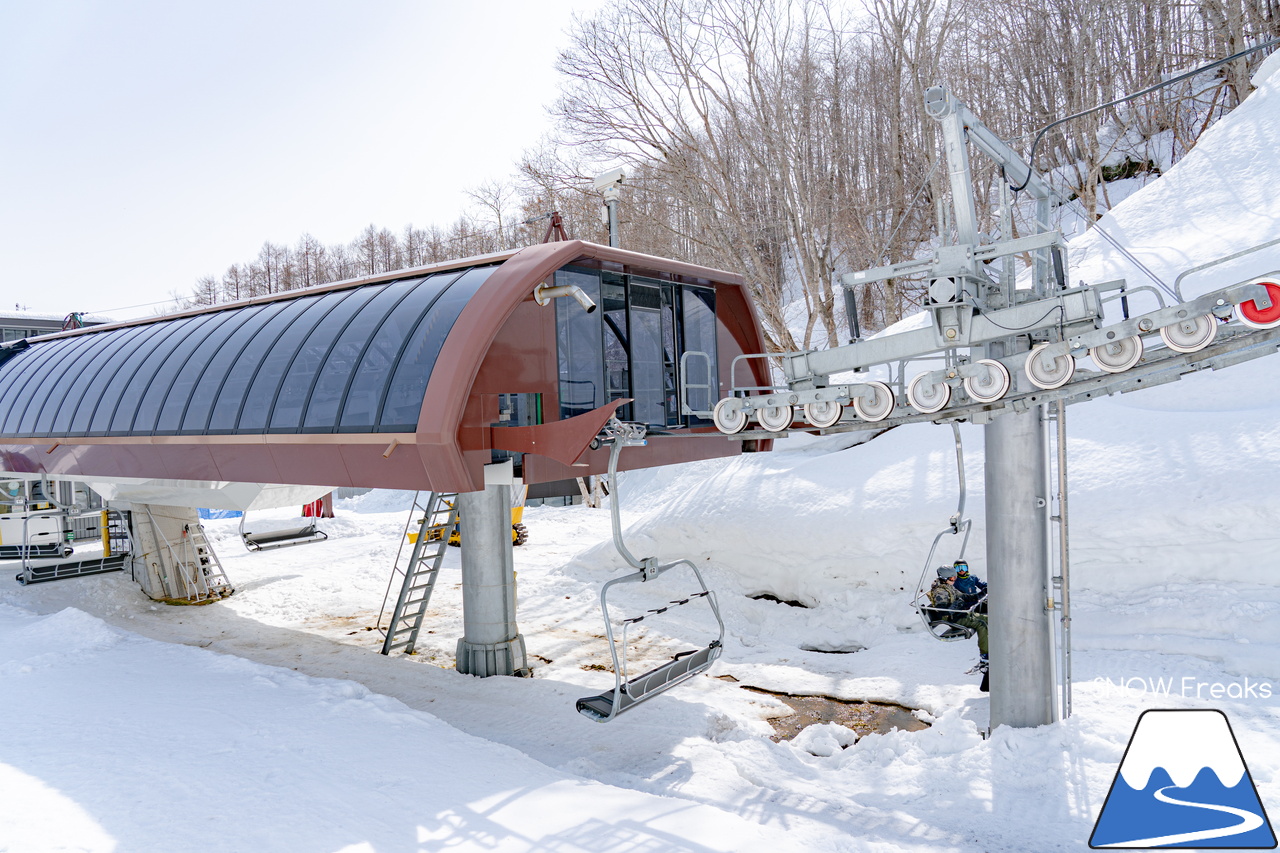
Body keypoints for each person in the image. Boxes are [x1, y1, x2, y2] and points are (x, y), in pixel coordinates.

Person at [926, 566, 988, 685]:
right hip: (953, 618)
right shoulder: (940, 592)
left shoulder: (949, 586)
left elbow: (964, 596)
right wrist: (958, 604)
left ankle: (992, 648)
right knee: (981, 625)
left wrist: (982, 593)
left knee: (988, 619)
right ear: (944, 578)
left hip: (960, 614)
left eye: (955, 577)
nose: (955, 579)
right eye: (952, 578)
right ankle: (984, 656)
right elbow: (944, 612)